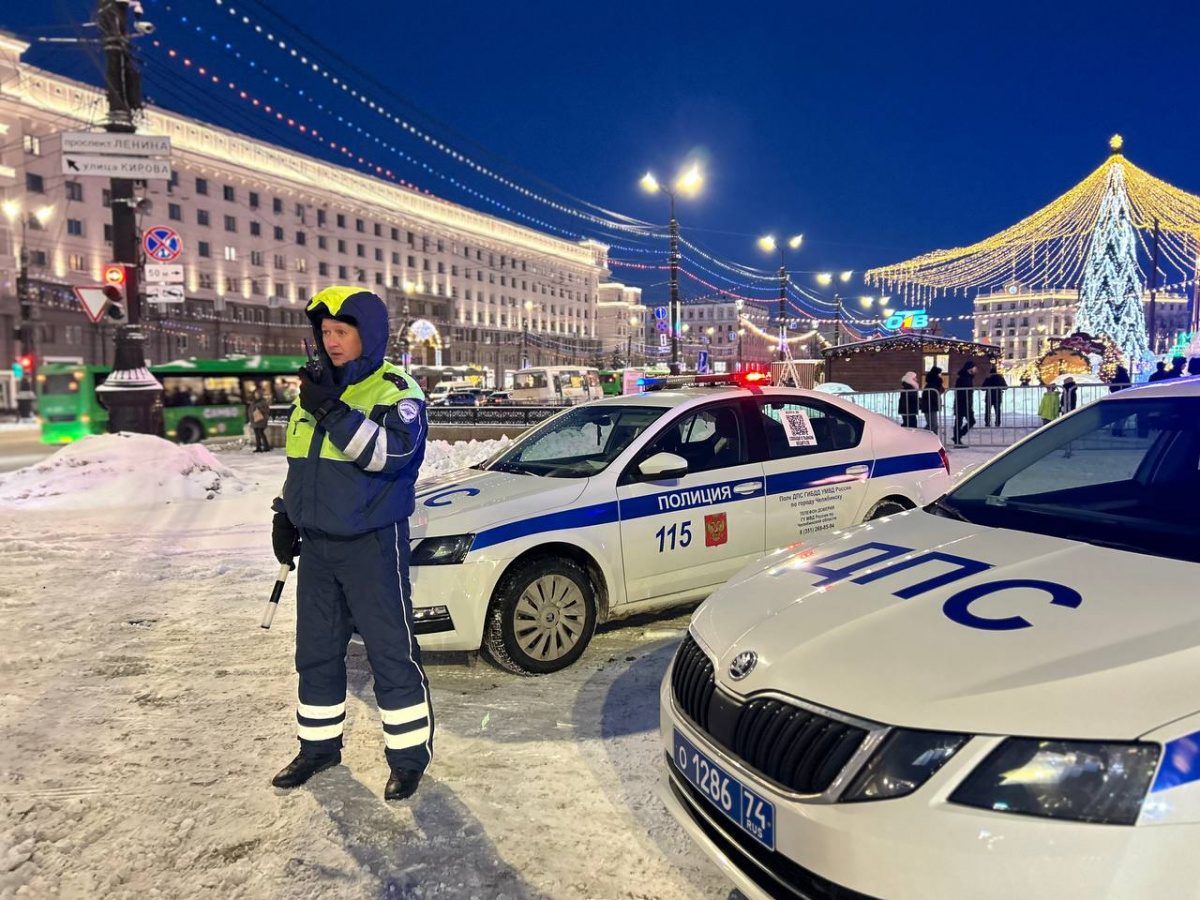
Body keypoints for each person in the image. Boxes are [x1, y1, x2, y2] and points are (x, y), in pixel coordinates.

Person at [269, 286, 432, 802]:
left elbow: (388, 456)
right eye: (325, 332)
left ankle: (408, 759)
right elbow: (304, 464)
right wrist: (285, 514)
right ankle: (318, 748)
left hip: (371, 543)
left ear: (369, 333)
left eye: (342, 331)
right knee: (315, 654)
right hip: (317, 547)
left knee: (390, 654)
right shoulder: (315, 389)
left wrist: (332, 411)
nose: (331, 341)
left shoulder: (395, 391)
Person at [952, 361, 977, 447]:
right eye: (974, 367)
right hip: (962, 403)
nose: (975, 369)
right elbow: (961, 392)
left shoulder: (968, 377)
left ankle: (957, 438)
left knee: (961, 421)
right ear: (969, 369)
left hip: (965, 403)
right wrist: (965, 403)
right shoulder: (964, 378)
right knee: (966, 421)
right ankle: (957, 439)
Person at [919, 366, 943, 433]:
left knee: (932, 425)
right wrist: (937, 402)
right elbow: (932, 395)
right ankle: (925, 438)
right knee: (933, 426)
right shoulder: (932, 384)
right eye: (940, 373)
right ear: (936, 374)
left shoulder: (934, 383)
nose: (941, 375)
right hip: (930, 407)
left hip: (931, 407)